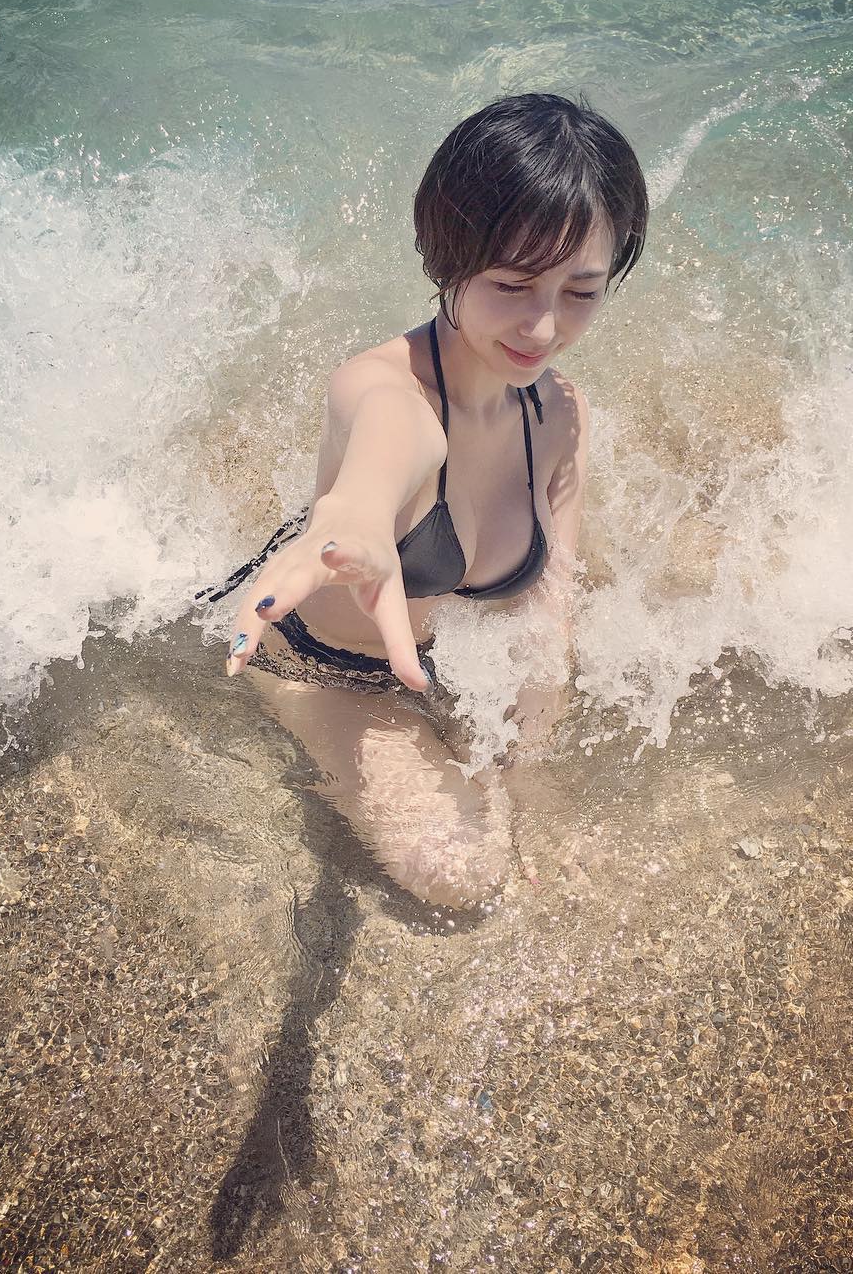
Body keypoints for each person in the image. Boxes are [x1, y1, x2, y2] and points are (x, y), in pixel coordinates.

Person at [199, 91, 648, 911]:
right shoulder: (382, 389)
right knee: (460, 873)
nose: (543, 328)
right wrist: (357, 526)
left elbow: (550, 611)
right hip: (319, 666)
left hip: (428, 660)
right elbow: (379, 459)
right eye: (513, 284)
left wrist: (526, 774)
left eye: (580, 292)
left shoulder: (560, 415)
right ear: (449, 257)